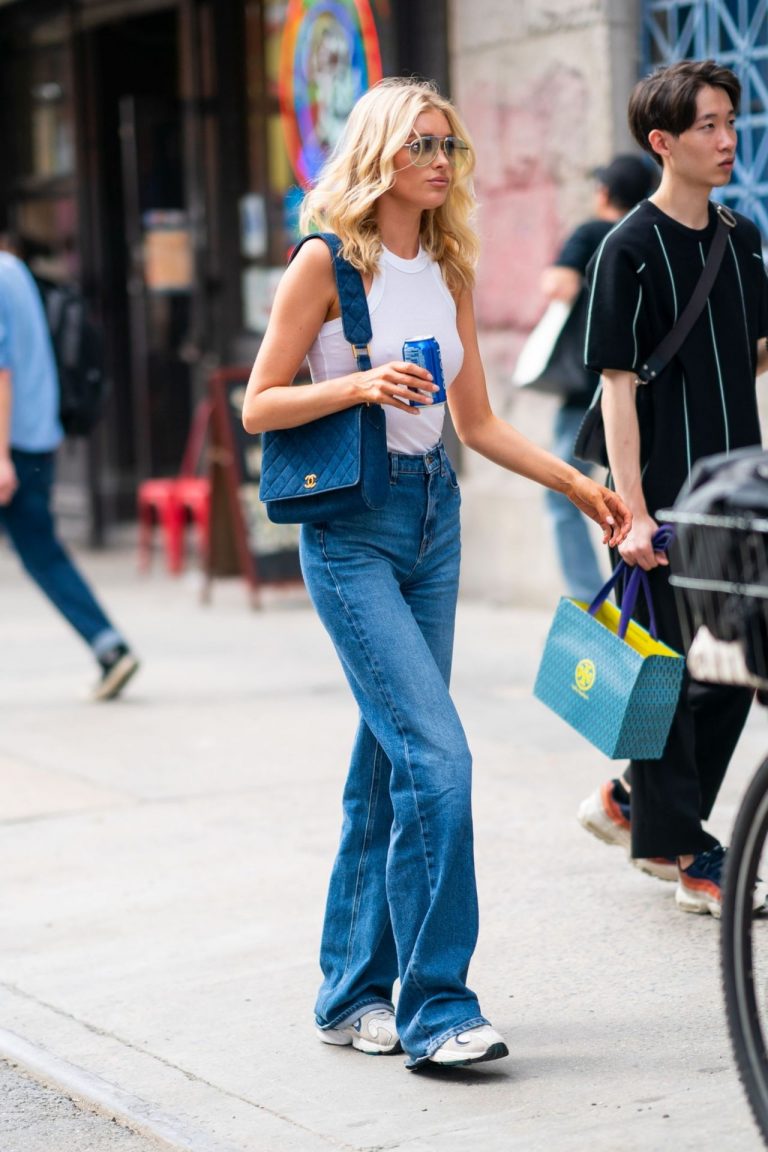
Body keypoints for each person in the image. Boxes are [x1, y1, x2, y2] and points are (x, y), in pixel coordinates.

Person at [242, 77, 631, 1070]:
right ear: (380, 149)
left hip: (433, 520)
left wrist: (581, 485)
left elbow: (481, 424)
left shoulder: (449, 262)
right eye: (422, 142)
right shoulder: (329, 264)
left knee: (389, 761)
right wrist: (361, 382)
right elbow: (259, 405)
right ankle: (439, 1009)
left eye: (450, 147)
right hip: (353, 528)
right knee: (437, 760)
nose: (440, 160)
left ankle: (346, 995)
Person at [576, 59, 768, 916]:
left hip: (737, 491)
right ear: (663, 142)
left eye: (733, 122)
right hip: (660, 490)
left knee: (732, 667)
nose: (728, 141)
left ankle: (632, 804)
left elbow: (755, 354)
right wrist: (633, 512)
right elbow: (617, 384)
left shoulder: (743, 236)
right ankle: (683, 848)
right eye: (709, 126)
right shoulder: (628, 249)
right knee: (665, 670)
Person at [0, 232, 140, 701]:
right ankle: (108, 646)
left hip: (11, 448)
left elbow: (1, 373)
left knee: (41, 552)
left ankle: (110, 648)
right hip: (35, 439)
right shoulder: (14, 270)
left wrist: (0, 457)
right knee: (43, 552)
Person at [541, 155, 657, 602]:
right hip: (646, 385)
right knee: (635, 491)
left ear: (604, 193)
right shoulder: (651, 236)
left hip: (589, 392)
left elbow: (559, 285)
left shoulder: (593, 233)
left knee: (566, 493)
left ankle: (590, 595)